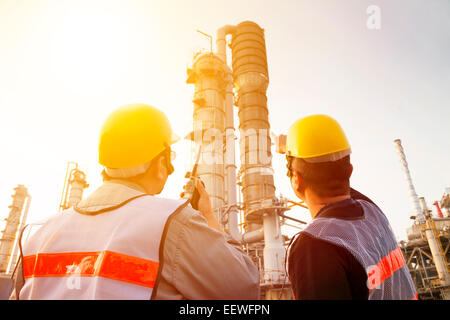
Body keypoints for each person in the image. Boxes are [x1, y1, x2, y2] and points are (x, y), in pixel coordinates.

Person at [10, 103, 259, 300]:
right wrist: (211, 220)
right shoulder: (172, 222)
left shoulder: (35, 235)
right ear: (161, 164)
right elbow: (242, 289)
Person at [284, 114, 417, 300]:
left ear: (296, 181)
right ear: (351, 171)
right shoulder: (372, 212)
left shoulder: (314, 246)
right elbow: (336, 177)